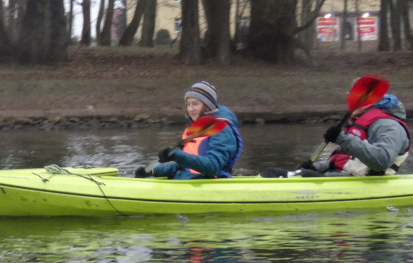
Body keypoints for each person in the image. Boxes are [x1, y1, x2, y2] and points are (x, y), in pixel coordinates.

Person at [263, 93, 409, 177]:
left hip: (368, 183)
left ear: (372, 104)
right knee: (272, 172)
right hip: (342, 178)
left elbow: (381, 161)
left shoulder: (389, 126)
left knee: (284, 175)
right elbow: (340, 157)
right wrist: (315, 166)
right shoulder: (359, 122)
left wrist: (341, 138)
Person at [135, 81, 242, 180]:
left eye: (195, 104)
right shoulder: (195, 130)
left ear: (208, 106)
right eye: (188, 104)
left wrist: (177, 155)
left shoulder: (222, 130)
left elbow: (213, 166)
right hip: (188, 181)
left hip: (208, 184)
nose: (190, 109)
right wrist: (153, 171)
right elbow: (183, 166)